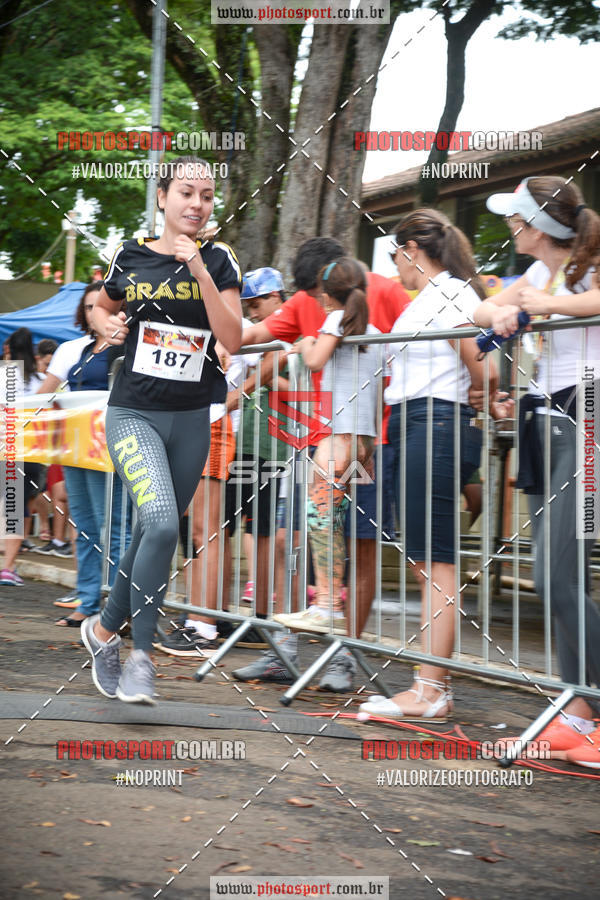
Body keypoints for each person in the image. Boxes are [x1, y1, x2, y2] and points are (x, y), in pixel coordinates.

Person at [81, 155, 242, 704]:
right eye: (187, 193)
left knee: (157, 531)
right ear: (163, 198)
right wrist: (108, 324)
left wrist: (198, 268)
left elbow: (234, 338)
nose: (197, 204)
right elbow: (97, 311)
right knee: (160, 524)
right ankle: (140, 658)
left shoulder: (220, 260)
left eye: (207, 195)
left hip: (192, 418)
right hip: (133, 413)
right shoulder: (130, 256)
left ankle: (103, 631)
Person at [239, 240, 409, 692]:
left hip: (370, 440)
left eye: (317, 293)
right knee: (293, 535)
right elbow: (255, 336)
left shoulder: (386, 292)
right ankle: (285, 651)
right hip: (324, 437)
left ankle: (343, 659)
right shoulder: (303, 301)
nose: (313, 301)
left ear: (329, 286)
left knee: (359, 543)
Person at [358, 208, 506, 722]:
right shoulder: (430, 299)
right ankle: (428, 685)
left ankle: (431, 689)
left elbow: (480, 364)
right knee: (426, 559)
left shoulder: (452, 294)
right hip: (415, 421)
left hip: (436, 422)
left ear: (412, 250)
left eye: (396, 255)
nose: (395, 266)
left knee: (435, 560)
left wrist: (491, 396)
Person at [473, 176, 600, 764]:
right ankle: (577, 712)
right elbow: (480, 304)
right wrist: (500, 311)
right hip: (547, 421)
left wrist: (541, 305)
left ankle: (587, 703)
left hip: (590, 416)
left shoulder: (587, 264)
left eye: (514, 218)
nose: (508, 227)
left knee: (556, 575)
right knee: (558, 574)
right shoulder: (536, 275)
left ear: (536, 225)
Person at [273, 256, 379, 638]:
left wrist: (304, 344)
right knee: (332, 522)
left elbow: (316, 361)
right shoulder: (374, 331)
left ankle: (327, 605)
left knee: (319, 521)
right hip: (365, 442)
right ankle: (329, 603)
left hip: (338, 440)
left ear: (325, 293)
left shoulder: (335, 321)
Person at [37, 282, 130, 624]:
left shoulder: (128, 347)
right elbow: (45, 394)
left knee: (116, 528)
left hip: (112, 447)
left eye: (101, 306)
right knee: (86, 525)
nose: (96, 313)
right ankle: (89, 600)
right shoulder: (72, 349)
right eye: (90, 307)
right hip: (74, 447)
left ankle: (118, 609)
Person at [0, 327, 46, 584]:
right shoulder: (39, 379)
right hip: (31, 449)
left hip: (6, 448)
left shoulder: (3, 374)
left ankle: (8, 566)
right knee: (20, 507)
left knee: (10, 508)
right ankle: (9, 566)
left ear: (9, 349)